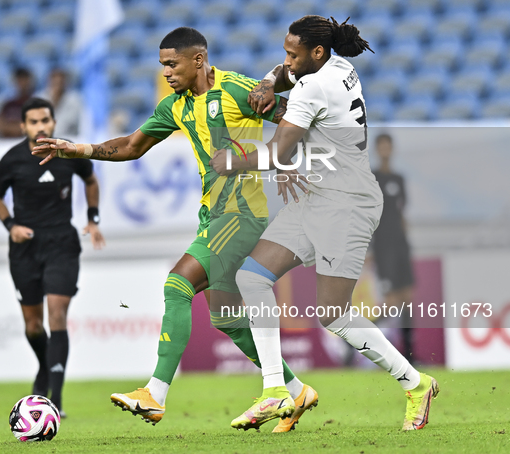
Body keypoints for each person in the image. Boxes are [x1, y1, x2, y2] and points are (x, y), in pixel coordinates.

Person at [33, 27, 317, 433]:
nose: (165, 72)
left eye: (172, 64)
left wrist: (280, 135)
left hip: (242, 213)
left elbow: (296, 120)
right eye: (162, 65)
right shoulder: (176, 106)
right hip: (212, 213)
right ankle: (294, 388)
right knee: (226, 319)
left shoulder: (238, 91)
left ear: (198, 60)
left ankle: (155, 393)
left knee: (177, 285)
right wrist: (80, 149)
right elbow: (133, 145)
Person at [211, 15, 438, 431]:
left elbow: (279, 151)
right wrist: (267, 81)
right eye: (284, 52)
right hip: (314, 196)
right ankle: (276, 391)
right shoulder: (339, 67)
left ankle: (416, 383)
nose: (286, 61)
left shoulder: (315, 86)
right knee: (252, 278)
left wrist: (233, 162)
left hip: (346, 204)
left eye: (293, 54)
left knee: (333, 315)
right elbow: (284, 79)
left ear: (316, 52)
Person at [0, 97, 105, 417]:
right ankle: (44, 367)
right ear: (24, 126)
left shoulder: (69, 152)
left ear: (53, 123)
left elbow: (91, 180)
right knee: (32, 325)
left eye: (46, 121)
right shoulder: (12, 160)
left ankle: (55, 398)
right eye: (34, 122)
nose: (41, 127)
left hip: (62, 244)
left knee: (57, 315)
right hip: (25, 248)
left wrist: (93, 219)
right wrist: (10, 225)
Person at [371, 133, 415, 361]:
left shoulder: (399, 179)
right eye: (382, 146)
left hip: (400, 247)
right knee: (390, 304)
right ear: (378, 150)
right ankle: (353, 343)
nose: (386, 150)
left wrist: (406, 243)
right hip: (383, 247)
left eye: (389, 146)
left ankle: (410, 354)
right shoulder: (372, 177)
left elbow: (402, 214)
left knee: (407, 298)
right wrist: (368, 250)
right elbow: (367, 215)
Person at [0, 68, 36, 138]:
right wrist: (15, 127)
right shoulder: (9, 105)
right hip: (6, 143)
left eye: (24, 80)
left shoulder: (35, 104)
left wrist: (7, 127)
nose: (22, 84)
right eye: (19, 80)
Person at [37, 68, 82, 138]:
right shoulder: (40, 98)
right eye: (55, 83)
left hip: (69, 140)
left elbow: (74, 125)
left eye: (60, 83)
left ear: (65, 83)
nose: (58, 86)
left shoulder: (75, 100)